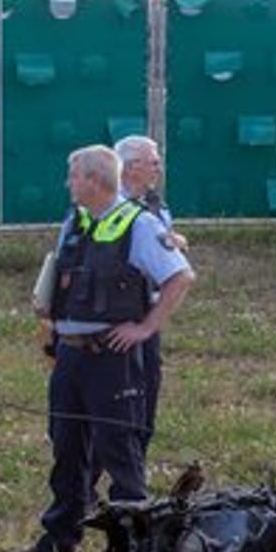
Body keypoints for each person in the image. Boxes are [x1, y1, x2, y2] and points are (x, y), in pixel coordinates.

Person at [10, 145, 195, 552]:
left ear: (94, 180)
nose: (68, 184)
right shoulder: (75, 222)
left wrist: (146, 327)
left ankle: (131, 546)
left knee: (119, 448)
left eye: (73, 176)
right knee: (66, 447)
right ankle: (60, 538)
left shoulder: (139, 224)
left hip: (111, 357)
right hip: (71, 355)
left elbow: (180, 276)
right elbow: (60, 275)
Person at [113, 135, 186, 458]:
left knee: (145, 396)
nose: (159, 168)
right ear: (130, 167)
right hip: (113, 317)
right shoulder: (104, 208)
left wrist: (173, 243)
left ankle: (133, 470)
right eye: (152, 162)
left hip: (147, 312)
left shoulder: (155, 206)